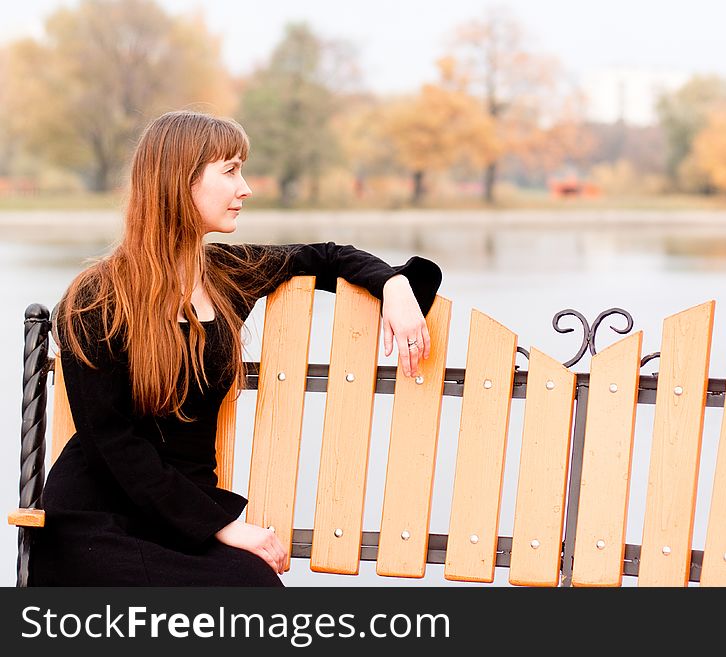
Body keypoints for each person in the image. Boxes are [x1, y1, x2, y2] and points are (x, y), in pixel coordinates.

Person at [28, 110, 442, 586]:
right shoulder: (96, 299)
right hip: (99, 523)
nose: (244, 188)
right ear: (178, 182)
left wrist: (393, 285)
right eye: (230, 171)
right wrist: (219, 525)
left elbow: (325, 256)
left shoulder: (227, 274)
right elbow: (111, 443)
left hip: (185, 524)